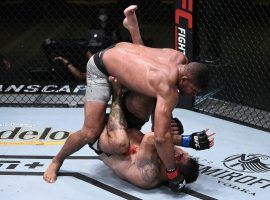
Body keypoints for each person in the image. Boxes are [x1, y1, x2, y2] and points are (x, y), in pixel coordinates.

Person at [44, 5, 210, 192]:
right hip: (100, 67)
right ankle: (57, 161)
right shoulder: (168, 90)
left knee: (153, 97)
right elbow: (159, 138)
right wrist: (173, 171)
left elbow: (145, 60)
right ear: (185, 79)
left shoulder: (179, 58)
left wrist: (166, 127)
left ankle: (132, 27)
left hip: (121, 50)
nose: (193, 95)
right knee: (90, 131)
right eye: (194, 90)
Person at [93, 76, 215, 190]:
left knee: (121, 143)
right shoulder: (164, 161)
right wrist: (169, 125)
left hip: (104, 137)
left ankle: (117, 93)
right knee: (152, 90)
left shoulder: (150, 174)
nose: (179, 150)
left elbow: (151, 138)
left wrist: (188, 141)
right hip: (126, 124)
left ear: (177, 159)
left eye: (182, 153)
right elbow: (158, 133)